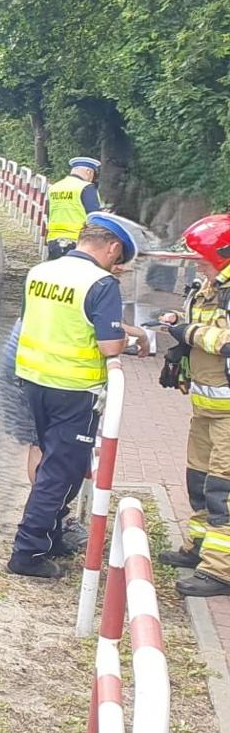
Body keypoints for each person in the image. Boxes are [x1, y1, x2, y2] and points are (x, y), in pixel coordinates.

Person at [8, 214, 136, 578]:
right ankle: (28, 552)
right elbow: (109, 344)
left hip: (33, 380)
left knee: (52, 461)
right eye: (119, 257)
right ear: (112, 247)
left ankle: (54, 534)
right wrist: (130, 340)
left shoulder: (41, 272)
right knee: (60, 473)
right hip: (74, 389)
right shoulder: (102, 283)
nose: (117, 265)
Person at [160, 214, 230, 597]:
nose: (197, 264)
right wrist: (180, 344)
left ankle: (220, 572)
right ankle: (199, 548)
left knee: (224, 490)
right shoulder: (210, 288)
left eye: (202, 258)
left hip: (228, 416)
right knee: (199, 481)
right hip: (207, 409)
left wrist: (187, 332)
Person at [45, 157, 105, 259]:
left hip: (54, 239)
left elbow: (48, 213)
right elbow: (93, 216)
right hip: (78, 241)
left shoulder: (54, 187)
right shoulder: (86, 187)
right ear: (88, 172)